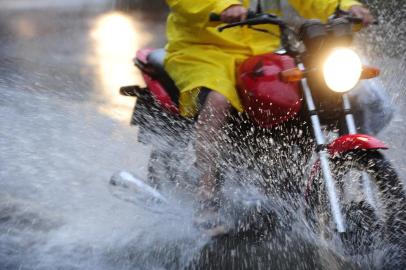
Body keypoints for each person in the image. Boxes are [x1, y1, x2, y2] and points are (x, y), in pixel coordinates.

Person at [163, 0, 374, 223]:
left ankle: (286, 180)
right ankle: (207, 197)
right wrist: (224, 5)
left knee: (307, 90)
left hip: (263, 50)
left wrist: (344, 5)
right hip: (204, 51)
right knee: (218, 99)